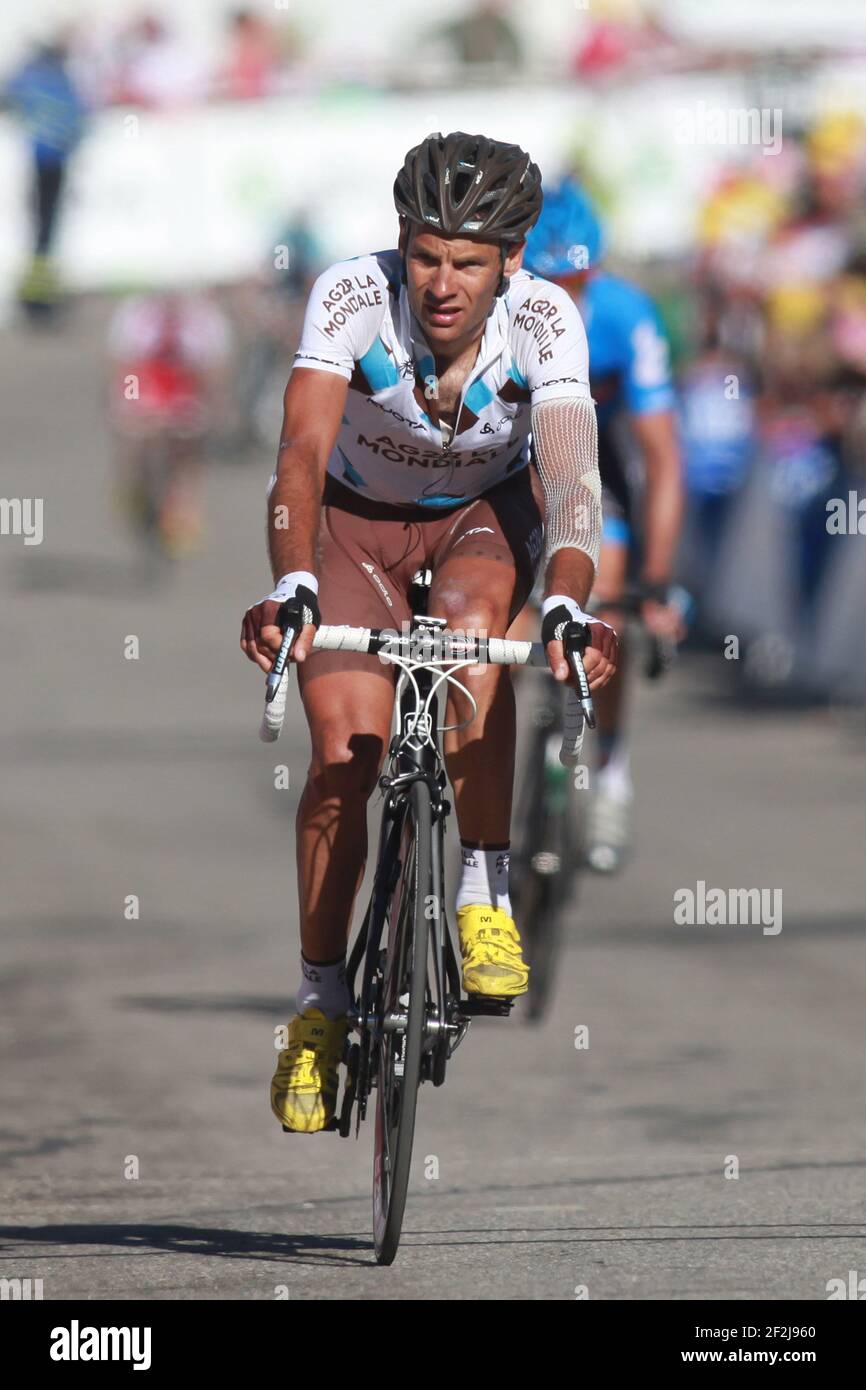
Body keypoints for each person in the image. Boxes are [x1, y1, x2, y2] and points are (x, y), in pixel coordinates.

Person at [240, 132, 618, 1133]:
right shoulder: (348, 295)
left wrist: (570, 597)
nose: (441, 283)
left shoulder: (545, 320)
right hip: (350, 528)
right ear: (399, 243)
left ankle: (482, 893)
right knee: (341, 755)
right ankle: (321, 1004)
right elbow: (299, 450)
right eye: (424, 254)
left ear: (512, 258)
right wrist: (291, 580)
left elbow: (573, 482)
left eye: (468, 261)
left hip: (477, 524)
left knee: (464, 644)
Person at [520, 177, 684, 871]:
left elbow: (662, 462)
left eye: (580, 279)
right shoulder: (507, 313)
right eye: (552, 280)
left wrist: (654, 583)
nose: (569, 296)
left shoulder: (627, 316)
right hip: (518, 455)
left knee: (603, 591)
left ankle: (609, 769)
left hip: (597, 465)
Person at [107, 290, 232, 554]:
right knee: (136, 434)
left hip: (185, 382)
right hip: (146, 379)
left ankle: (183, 502)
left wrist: (214, 407)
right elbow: (123, 362)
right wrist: (119, 403)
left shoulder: (205, 317)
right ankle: (136, 486)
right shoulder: (137, 311)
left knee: (189, 440)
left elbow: (212, 368)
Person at [4, 38, 87, 318]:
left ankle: (37, 295)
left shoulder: (33, 79)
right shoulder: (62, 82)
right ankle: (38, 296)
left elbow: (9, 96)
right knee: (45, 233)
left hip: (41, 164)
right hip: (55, 165)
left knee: (41, 233)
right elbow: (80, 123)